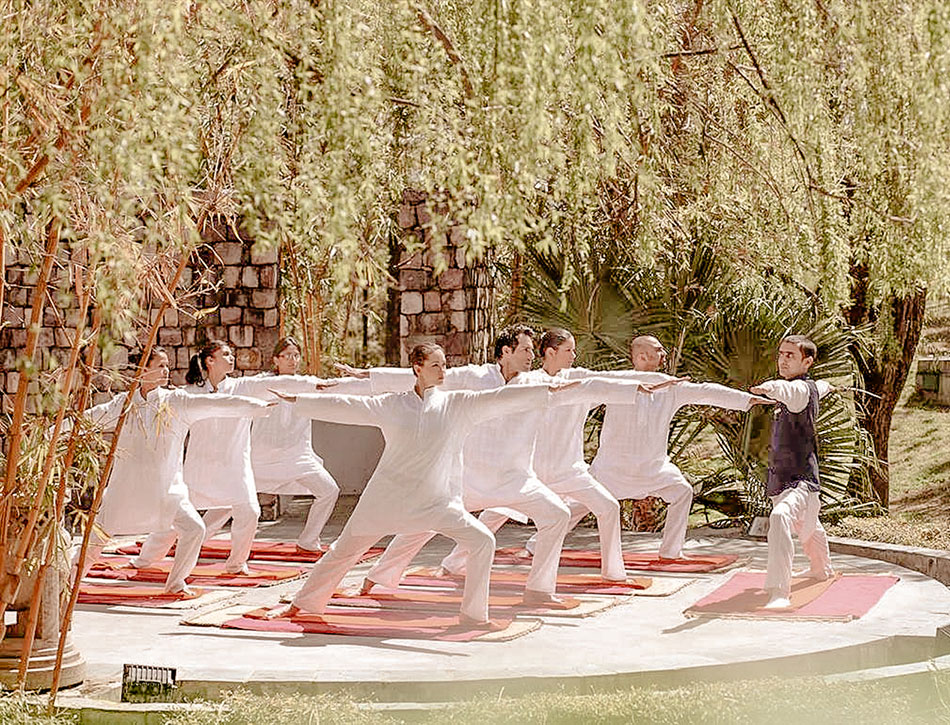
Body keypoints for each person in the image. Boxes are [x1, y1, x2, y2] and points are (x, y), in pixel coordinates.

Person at [267, 343, 570, 626]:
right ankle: (302, 603)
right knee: (343, 551)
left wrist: (547, 391)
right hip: (385, 500)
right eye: (436, 366)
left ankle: (473, 616)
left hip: (435, 503)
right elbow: (349, 406)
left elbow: (499, 399)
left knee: (482, 541)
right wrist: (299, 401)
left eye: (444, 365)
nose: (443, 372)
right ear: (417, 368)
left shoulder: (456, 404)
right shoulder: (392, 405)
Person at [353, 326, 659, 601]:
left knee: (557, 515)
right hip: (470, 477)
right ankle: (378, 577)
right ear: (505, 352)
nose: (531, 355)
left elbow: (588, 386)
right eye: (525, 349)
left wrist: (633, 387)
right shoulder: (473, 377)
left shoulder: (535, 382)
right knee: (423, 525)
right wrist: (369, 377)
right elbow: (414, 378)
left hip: (515, 480)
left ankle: (539, 590)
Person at [475, 328, 675, 580]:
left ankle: (614, 574)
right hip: (530, 471)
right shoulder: (527, 381)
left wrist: (645, 382)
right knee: (497, 512)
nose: (574, 354)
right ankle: (455, 561)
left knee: (608, 507)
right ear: (550, 352)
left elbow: (608, 378)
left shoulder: (579, 377)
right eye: (569, 350)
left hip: (568, 470)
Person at [70, 347, 272, 594]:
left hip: (167, 491)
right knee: (95, 541)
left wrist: (256, 406)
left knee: (194, 529)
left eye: (167, 365)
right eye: (160, 365)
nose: (166, 371)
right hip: (126, 490)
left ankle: (176, 583)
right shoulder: (122, 405)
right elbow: (88, 419)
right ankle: (68, 581)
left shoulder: (176, 401)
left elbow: (217, 403)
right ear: (142, 370)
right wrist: (51, 434)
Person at [574, 335, 772, 560]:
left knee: (682, 492)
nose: (664, 354)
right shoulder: (616, 381)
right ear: (642, 356)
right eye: (659, 350)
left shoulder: (672, 387)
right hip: (612, 469)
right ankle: (536, 544)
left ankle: (671, 552)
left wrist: (747, 400)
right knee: (578, 505)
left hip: (654, 468)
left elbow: (706, 391)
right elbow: (581, 381)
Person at [175, 340, 348, 574]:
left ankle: (307, 542)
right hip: (259, 458)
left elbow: (328, 397)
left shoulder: (301, 385)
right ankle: (196, 537)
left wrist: (336, 384)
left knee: (328, 490)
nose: (293, 360)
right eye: (287, 355)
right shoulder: (256, 385)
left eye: (296, 355)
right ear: (275, 360)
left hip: (299, 457)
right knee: (227, 503)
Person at [750, 334, 834, 609]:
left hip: (801, 478)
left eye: (791, 356)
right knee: (807, 524)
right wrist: (828, 386)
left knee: (781, 517)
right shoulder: (809, 387)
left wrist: (766, 388)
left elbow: (787, 391)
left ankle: (779, 591)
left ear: (807, 362)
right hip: (782, 475)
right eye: (781, 354)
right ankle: (821, 569)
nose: (783, 360)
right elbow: (819, 387)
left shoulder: (796, 390)